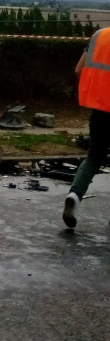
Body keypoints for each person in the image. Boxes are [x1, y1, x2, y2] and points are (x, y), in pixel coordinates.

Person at [63, 26, 110, 228]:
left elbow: (79, 69)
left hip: (100, 109)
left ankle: (75, 194)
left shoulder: (100, 35)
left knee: (94, 156)